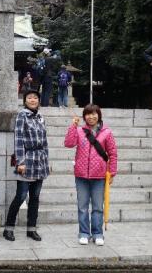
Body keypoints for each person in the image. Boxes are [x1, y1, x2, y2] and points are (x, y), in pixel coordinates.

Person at [64, 104, 118, 246]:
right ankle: (83, 233)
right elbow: (68, 144)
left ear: (99, 115)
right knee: (82, 206)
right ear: (84, 117)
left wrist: (111, 173)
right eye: (88, 114)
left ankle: (97, 233)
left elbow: (112, 153)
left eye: (94, 114)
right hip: (81, 175)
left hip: (99, 176)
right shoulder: (80, 131)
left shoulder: (107, 132)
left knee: (98, 207)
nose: (91, 116)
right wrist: (72, 127)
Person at [3, 89, 49, 242]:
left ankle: (31, 229)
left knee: (35, 197)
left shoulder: (41, 117)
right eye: (29, 97)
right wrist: (20, 162)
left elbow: (45, 142)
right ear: (25, 101)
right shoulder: (22, 115)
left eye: (35, 97)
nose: (32, 100)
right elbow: (19, 140)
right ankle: (8, 229)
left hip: (40, 161)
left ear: (39, 100)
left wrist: (46, 162)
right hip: (27, 160)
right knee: (21, 196)